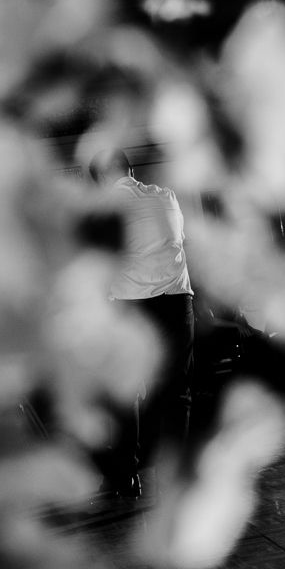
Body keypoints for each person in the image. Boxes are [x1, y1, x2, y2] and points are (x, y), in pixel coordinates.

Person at [89, 149, 194, 497]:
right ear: (129, 169)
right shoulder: (167, 197)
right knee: (177, 393)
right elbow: (179, 240)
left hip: (131, 305)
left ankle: (124, 476)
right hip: (178, 302)